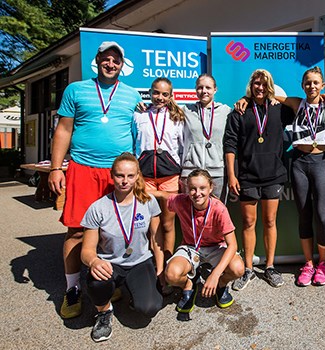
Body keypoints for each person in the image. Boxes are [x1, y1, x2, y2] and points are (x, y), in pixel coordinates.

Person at [48, 41, 142, 319]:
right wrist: (56, 168)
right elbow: (63, 130)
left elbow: (139, 136)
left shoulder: (132, 95)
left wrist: (138, 175)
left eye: (116, 60)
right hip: (83, 168)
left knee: (112, 231)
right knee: (77, 231)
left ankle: (105, 281)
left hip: (118, 174)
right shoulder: (75, 90)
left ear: (122, 65)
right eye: (106, 59)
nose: (111, 64)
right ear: (97, 60)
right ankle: (73, 288)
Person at [80, 153, 164, 342]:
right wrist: (93, 261)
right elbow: (86, 251)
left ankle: (134, 293)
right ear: (112, 175)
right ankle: (104, 311)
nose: (124, 181)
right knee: (97, 281)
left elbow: (156, 239)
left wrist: (160, 269)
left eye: (130, 176)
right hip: (110, 264)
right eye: (119, 175)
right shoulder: (98, 208)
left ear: (137, 176)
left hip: (140, 263)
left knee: (149, 307)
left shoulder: (148, 202)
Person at [224, 69, 294, 290]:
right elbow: (230, 145)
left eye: (264, 84)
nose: (260, 88)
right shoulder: (239, 112)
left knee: (270, 221)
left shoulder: (280, 110)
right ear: (250, 86)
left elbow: (300, 105)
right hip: (247, 176)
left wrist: (276, 97)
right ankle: (248, 269)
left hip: (273, 175)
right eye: (256, 84)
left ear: (270, 86)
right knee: (248, 223)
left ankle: (270, 266)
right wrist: (232, 175)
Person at [269, 67, 325, 287]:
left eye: (316, 82)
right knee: (304, 214)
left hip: (321, 162)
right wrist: (245, 98)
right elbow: (270, 96)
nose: (312, 86)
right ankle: (308, 264)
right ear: (302, 85)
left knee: (323, 217)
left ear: (323, 85)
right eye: (308, 82)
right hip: (299, 163)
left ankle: (324, 263)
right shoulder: (297, 103)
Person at [163, 169, 244, 315]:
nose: (197, 193)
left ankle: (221, 284)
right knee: (171, 275)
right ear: (187, 189)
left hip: (216, 247)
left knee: (238, 268)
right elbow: (164, 196)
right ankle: (188, 285)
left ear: (211, 188)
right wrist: (142, 192)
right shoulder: (181, 201)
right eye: (192, 189)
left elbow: (232, 245)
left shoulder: (219, 209)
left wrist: (215, 275)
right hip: (191, 248)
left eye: (202, 188)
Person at [134, 77, 184, 261]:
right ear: (150, 92)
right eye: (156, 92)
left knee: (168, 223)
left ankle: (168, 260)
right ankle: (152, 261)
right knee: (149, 224)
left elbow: (183, 147)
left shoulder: (177, 118)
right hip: (145, 177)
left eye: (164, 94)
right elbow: (134, 144)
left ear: (171, 96)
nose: (159, 97)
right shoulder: (139, 115)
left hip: (170, 176)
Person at [181, 74, 232, 203]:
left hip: (217, 172)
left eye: (208, 87)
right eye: (200, 87)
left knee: (218, 213)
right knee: (191, 214)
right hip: (191, 171)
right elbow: (163, 107)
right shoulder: (185, 110)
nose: (204, 91)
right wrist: (142, 106)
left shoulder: (226, 111)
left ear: (215, 89)